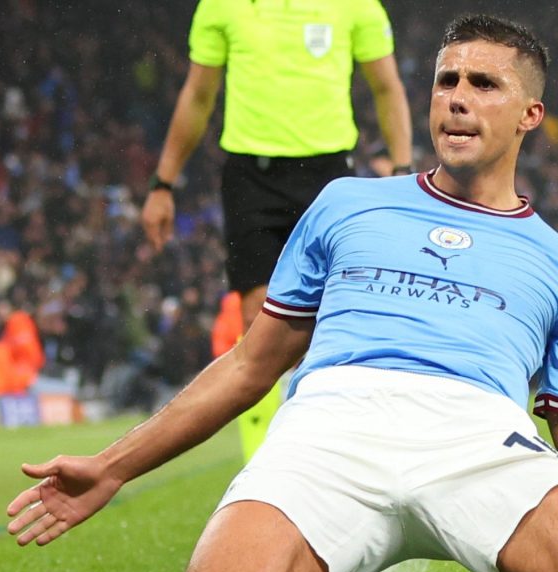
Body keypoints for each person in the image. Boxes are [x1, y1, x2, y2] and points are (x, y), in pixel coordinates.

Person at [8, 15, 558, 572]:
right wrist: (112, 466)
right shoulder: (347, 204)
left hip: (483, 440)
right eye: (446, 80)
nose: (456, 96)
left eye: (484, 84)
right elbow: (251, 365)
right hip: (328, 431)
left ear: (530, 115)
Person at [140, 0, 413, 460]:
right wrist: (162, 183)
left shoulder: (356, 6)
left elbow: (386, 88)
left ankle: (327, 455)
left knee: (330, 325)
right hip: (252, 179)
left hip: (329, 177)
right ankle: (262, 466)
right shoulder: (220, 8)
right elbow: (198, 95)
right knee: (258, 325)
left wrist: (404, 170)